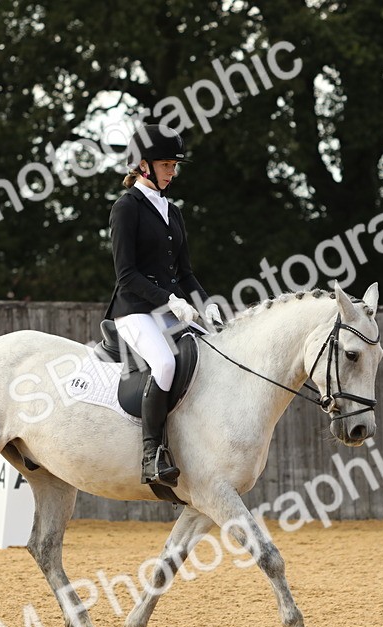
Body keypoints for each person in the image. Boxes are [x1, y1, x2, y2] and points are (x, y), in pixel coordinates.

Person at [103, 124, 223, 487]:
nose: (173, 171)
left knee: (212, 355)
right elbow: (126, 274)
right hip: (135, 311)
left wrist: (206, 304)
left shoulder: (173, 211)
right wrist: (169, 300)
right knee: (166, 364)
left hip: (170, 310)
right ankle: (151, 454)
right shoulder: (126, 209)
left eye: (174, 164)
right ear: (143, 166)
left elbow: (185, 273)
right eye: (167, 164)